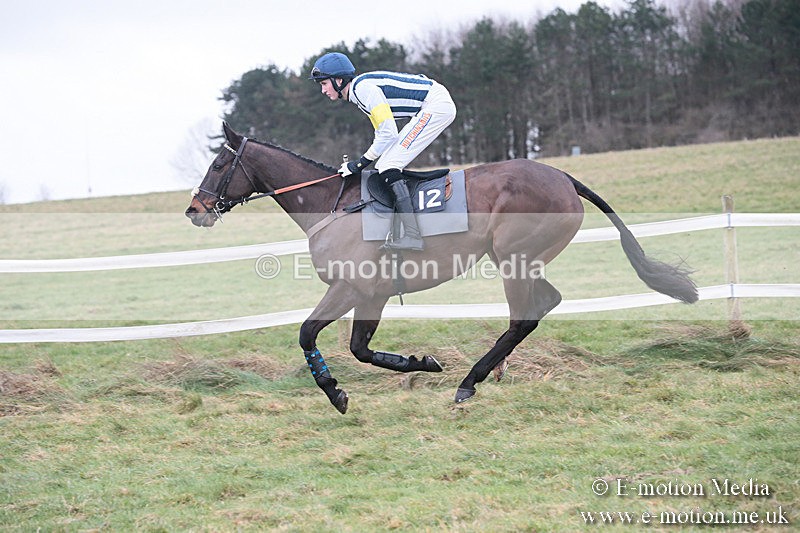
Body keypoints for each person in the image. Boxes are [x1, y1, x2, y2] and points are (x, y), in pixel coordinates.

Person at [310, 52, 457, 251]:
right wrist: (362, 163)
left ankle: (413, 235)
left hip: (436, 106)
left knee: (388, 166)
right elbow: (384, 134)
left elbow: (388, 133)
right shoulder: (358, 92)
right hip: (430, 105)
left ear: (338, 80)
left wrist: (359, 164)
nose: (323, 90)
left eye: (324, 84)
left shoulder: (363, 90)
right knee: (384, 166)